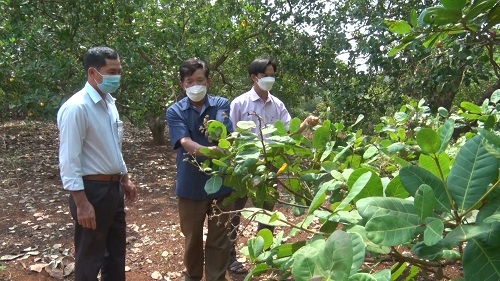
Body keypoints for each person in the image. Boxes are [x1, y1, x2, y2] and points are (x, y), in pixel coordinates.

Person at [228, 56, 319, 274]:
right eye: (265, 75)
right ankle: (229, 258)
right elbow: (230, 136)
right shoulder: (239, 103)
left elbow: (287, 133)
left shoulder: (277, 105)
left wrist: (305, 123)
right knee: (235, 211)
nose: (269, 79)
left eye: (272, 75)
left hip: (269, 167)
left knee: (266, 212)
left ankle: (264, 256)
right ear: (254, 77)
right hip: (243, 167)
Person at [57, 46, 138, 281]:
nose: (117, 76)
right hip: (91, 190)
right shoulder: (77, 108)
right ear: (93, 73)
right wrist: (81, 202)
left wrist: (125, 177)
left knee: (115, 253)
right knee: (90, 254)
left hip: (113, 189)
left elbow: (112, 145)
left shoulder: (109, 103)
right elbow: (69, 158)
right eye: (111, 71)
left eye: (119, 71)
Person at [166, 58, 234, 281]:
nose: (195, 85)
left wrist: (216, 147)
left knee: (219, 239)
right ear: (182, 84)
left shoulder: (221, 104)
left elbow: (220, 131)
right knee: (192, 238)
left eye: (200, 80)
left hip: (222, 183)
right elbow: (184, 141)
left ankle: (216, 278)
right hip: (190, 185)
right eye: (189, 81)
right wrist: (211, 152)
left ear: (209, 81)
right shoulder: (175, 111)